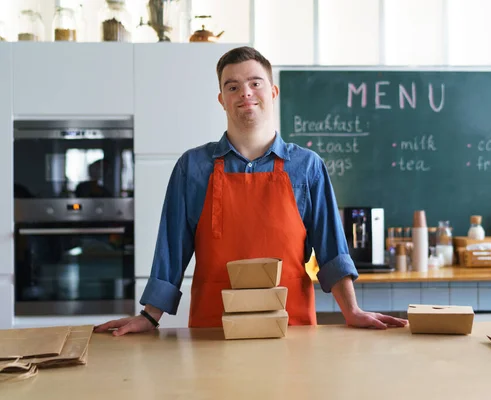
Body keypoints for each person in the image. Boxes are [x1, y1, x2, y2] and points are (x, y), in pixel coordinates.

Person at [95, 46, 407, 336]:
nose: (245, 92)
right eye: (232, 86)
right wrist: (149, 316)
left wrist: (351, 311)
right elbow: (171, 250)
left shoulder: (307, 166)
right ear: (222, 99)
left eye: (255, 83)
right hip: (214, 331)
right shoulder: (192, 167)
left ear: (272, 92)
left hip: (292, 329)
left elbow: (332, 249)